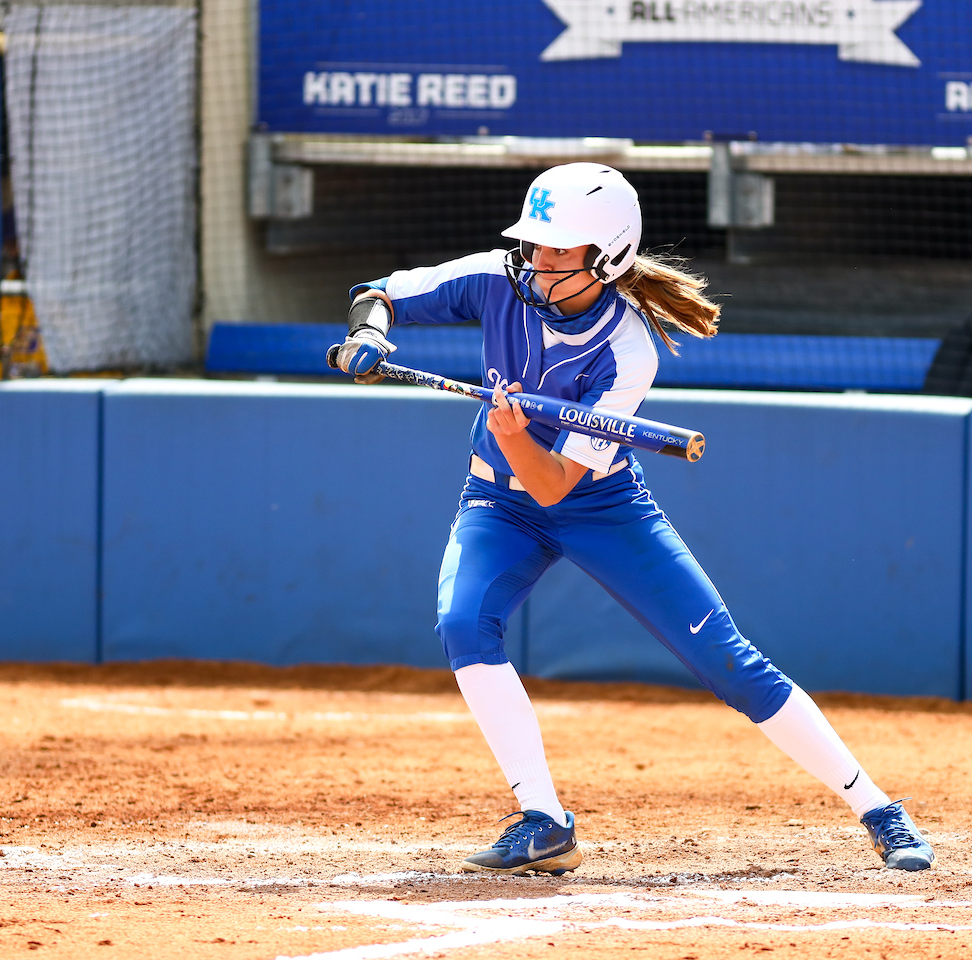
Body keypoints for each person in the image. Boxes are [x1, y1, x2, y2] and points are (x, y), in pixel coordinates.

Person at [332, 163, 933, 874]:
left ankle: (879, 809)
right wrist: (371, 332)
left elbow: (556, 487)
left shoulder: (628, 348)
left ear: (608, 257)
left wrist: (518, 433)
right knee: (464, 622)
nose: (540, 262)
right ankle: (544, 822)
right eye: (537, 246)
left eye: (560, 251)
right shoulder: (496, 278)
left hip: (599, 506)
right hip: (496, 502)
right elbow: (381, 294)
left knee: (729, 662)